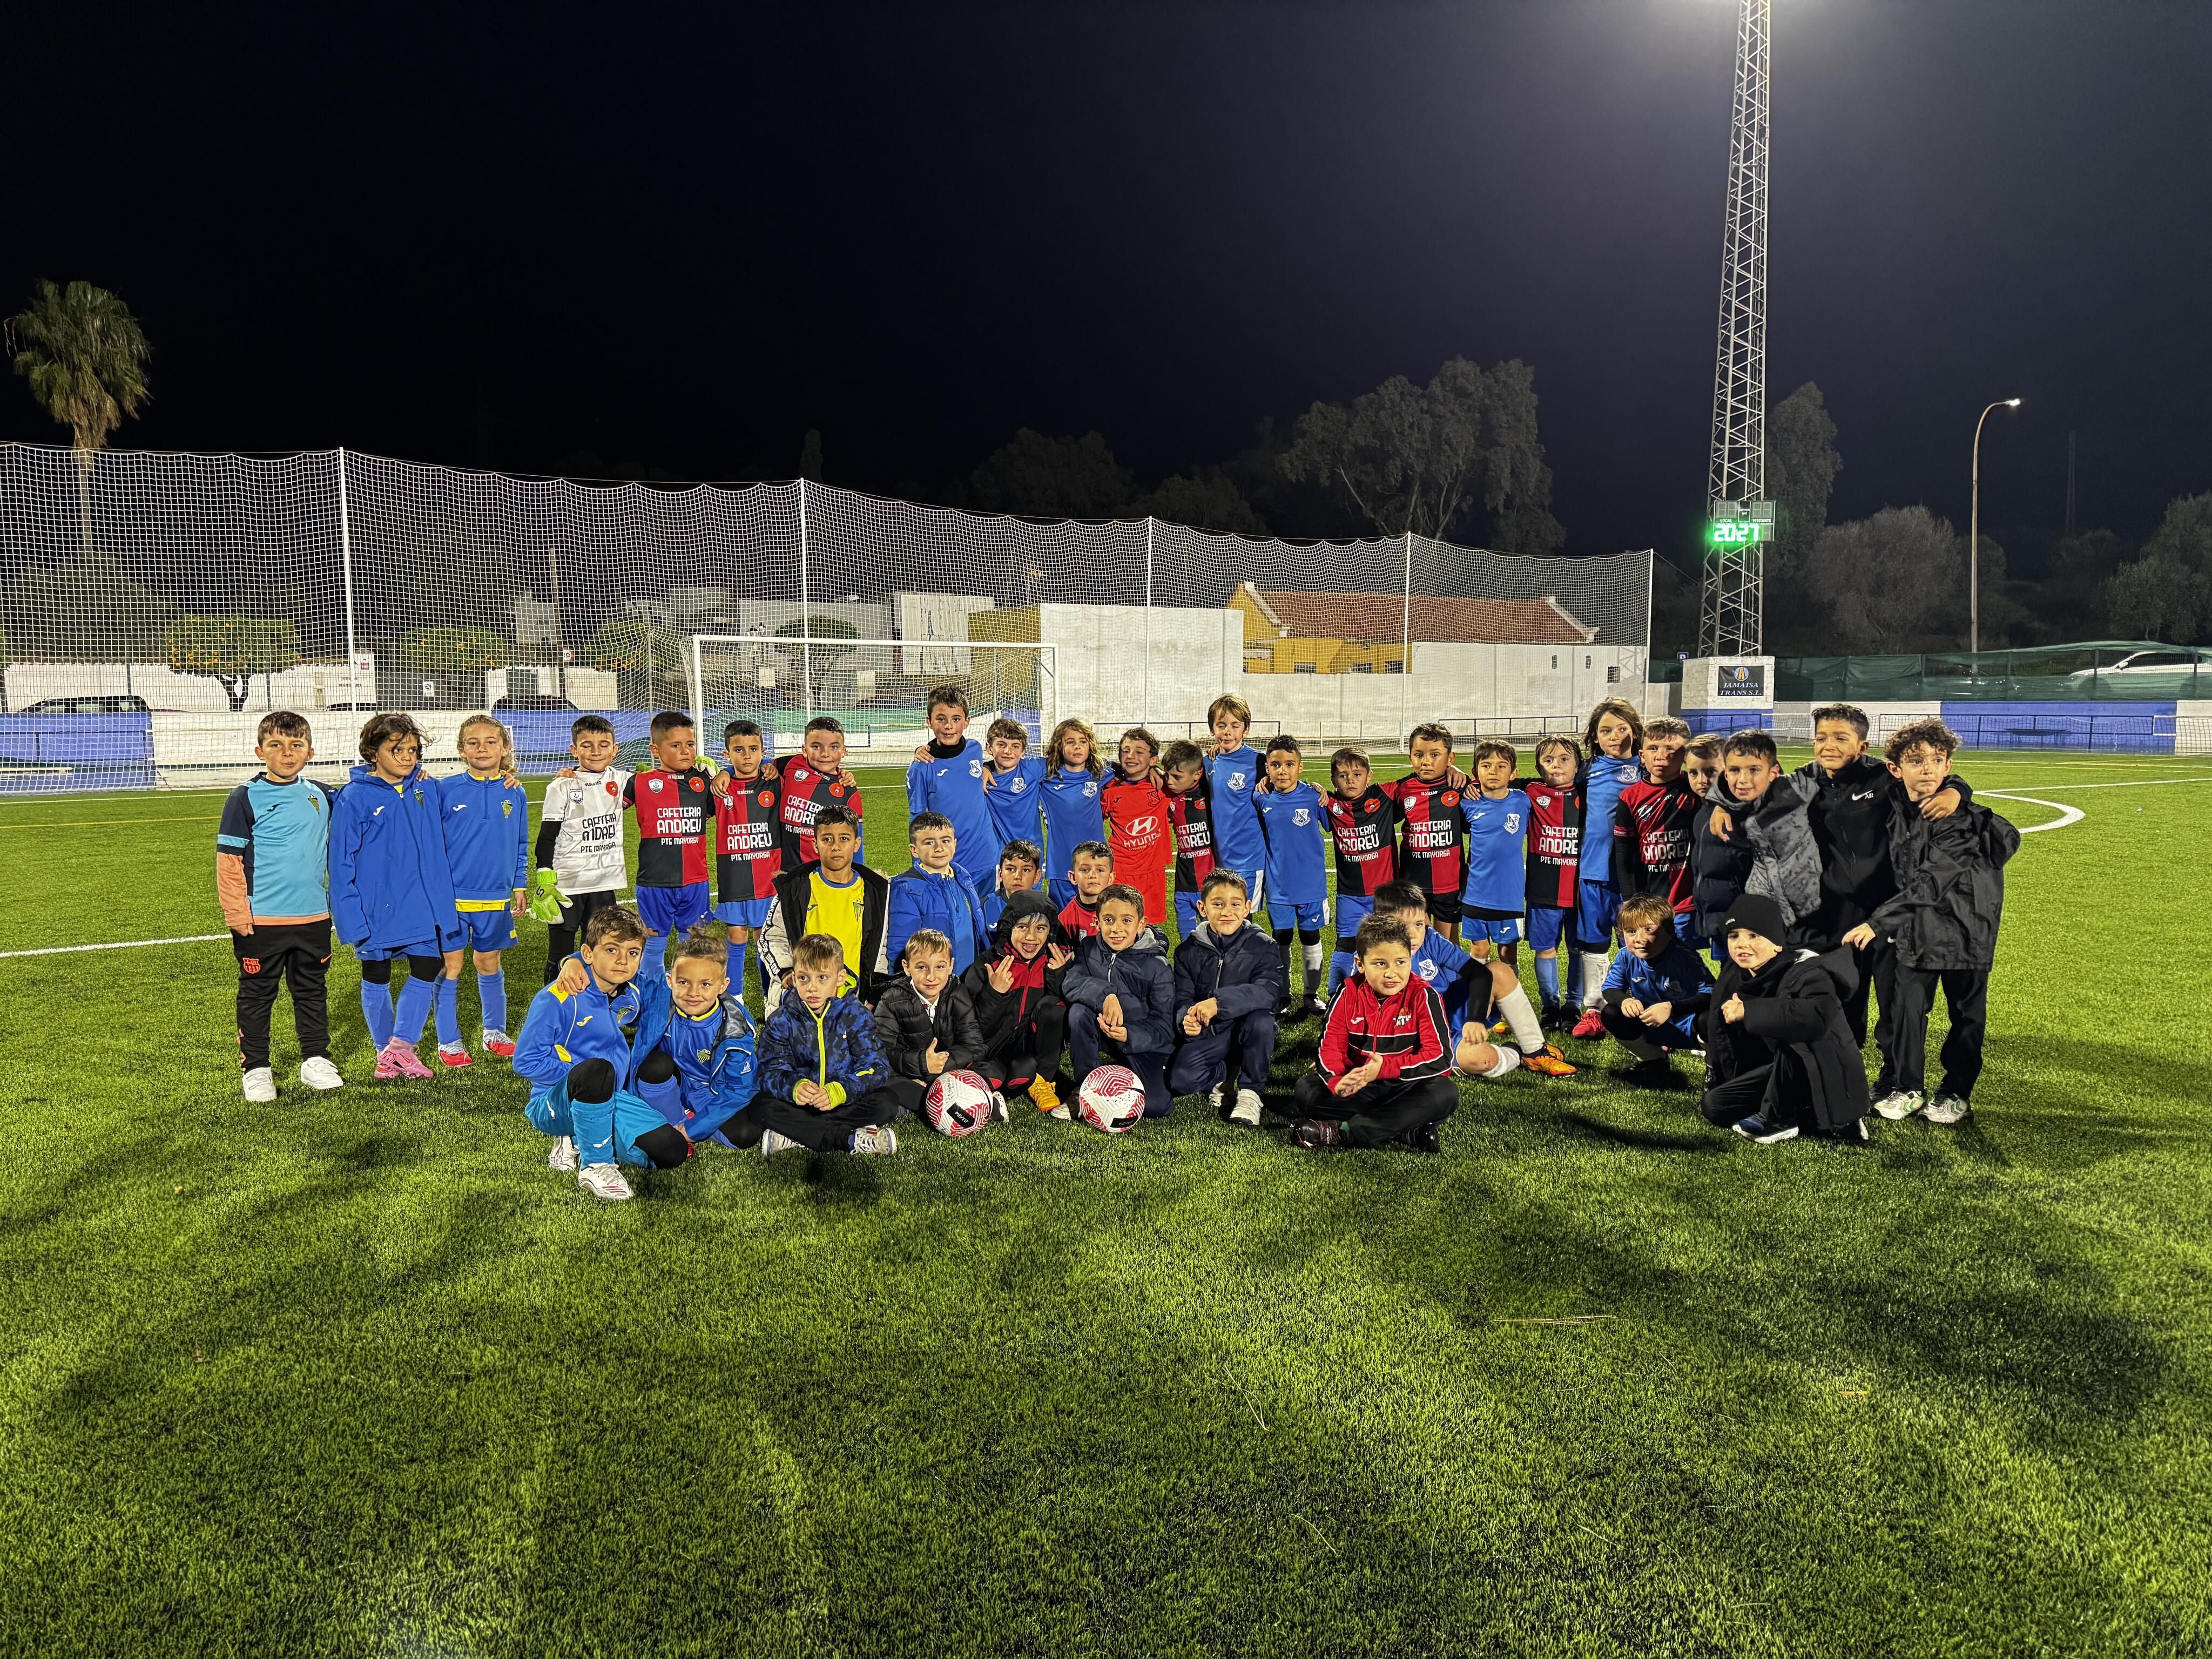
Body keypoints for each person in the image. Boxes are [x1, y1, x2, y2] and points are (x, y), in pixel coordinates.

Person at [1704, 703, 1971, 1078]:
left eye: (1841, 738)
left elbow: (1933, 780)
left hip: (1885, 912)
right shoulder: (1806, 780)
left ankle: (1893, 1079)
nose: (1829, 745)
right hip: (1833, 914)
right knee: (1843, 997)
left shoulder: (1882, 778)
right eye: (1821, 738)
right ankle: (1842, 1072)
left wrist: (1956, 791)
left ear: (1862, 747)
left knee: (1892, 1002)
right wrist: (1722, 805)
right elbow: (1753, 786)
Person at [1851, 718, 2018, 1124]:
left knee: (1966, 1018)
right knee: (1907, 1012)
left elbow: (1933, 881)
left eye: (1937, 760)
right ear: (1896, 769)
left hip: (1967, 930)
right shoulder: (1896, 804)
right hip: (1917, 929)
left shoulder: (1960, 819)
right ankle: (1908, 1088)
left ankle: (1956, 1093)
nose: (1927, 768)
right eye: (1916, 761)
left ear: (1948, 765)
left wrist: (1878, 923)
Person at [515, 905, 696, 1202]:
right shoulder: (559, 997)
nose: (623, 961)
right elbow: (526, 1061)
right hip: (555, 1101)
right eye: (612, 950)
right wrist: (582, 1076)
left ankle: (580, 1134)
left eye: (633, 953)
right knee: (597, 1070)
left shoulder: (631, 990)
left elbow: (665, 992)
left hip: (614, 1094)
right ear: (588, 954)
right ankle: (596, 1165)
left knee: (673, 1151)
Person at [217, 710, 345, 1102]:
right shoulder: (244, 797)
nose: (287, 753)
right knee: (258, 995)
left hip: (314, 917)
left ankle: (315, 1059)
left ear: (310, 752)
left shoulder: (324, 795)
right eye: (276, 745)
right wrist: (237, 913)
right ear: (260, 752)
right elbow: (229, 861)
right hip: (261, 920)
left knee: (312, 991)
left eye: (296, 745)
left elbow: (371, 796)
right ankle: (256, 1068)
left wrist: (419, 776)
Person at [330, 712, 463, 1081]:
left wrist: (506, 776)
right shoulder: (354, 797)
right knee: (377, 973)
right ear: (374, 752)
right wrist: (350, 919)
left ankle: (399, 1049)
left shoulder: (425, 788)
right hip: (376, 909)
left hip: (420, 905)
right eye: (398, 750)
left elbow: (469, 793)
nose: (407, 757)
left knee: (428, 965)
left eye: (413, 750)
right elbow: (340, 863)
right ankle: (384, 1051)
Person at [1700, 894, 1871, 1145]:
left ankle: (1785, 1117)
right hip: (1776, 1068)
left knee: (1795, 1036)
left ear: (1777, 944)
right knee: (1715, 1106)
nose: (1741, 944)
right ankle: (1804, 1112)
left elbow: (1815, 1017)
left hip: (1818, 1068)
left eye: (1754, 935)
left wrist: (1750, 1011)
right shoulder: (1737, 972)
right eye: (1734, 936)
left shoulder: (1809, 970)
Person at [1289, 915, 1469, 1153]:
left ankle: (1344, 1133)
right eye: (1380, 963)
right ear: (1360, 964)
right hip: (1359, 1087)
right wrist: (1338, 1082)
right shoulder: (1347, 993)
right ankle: (1405, 1130)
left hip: (1405, 1087)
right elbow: (1330, 1048)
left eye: (1400, 962)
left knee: (1445, 1093)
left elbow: (1441, 1058)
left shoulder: (1424, 996)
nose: (1392, 973)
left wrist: (1384, 1069)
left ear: (1410, 959)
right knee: (1307, 1090)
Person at [1373, 879, 1572, 1076]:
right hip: (1418, 1037)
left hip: (1451, 1016)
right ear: (1382, 924)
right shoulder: (1370, 958)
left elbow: (1479, 973)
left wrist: (1474, 1019)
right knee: (1482, 1060)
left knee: (1499, 972)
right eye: (1403, 926)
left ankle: (1535, 1050)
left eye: (1418, 924)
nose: (1414, 934)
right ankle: (1518, 1054)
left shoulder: (1430, 940)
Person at [430, 713, 530, 1065]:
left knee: (490, 962)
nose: (482, 748)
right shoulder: (445, 790)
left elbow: (520, 843)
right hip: (453, 898)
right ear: (462, 750)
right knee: (451, 966)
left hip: (496, 897)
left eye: (491, 742)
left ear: (505, 748)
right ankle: (449, 1041)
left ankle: (494, 1033)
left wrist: (519, 884)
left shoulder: (515, 792)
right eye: (473, 743)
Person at [751, 933, 903, 1156]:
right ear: (794, 978)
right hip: (801, 1104)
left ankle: (797, 1134)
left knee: (887, 1102)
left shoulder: (855, 1015)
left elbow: (876, 1066)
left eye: (822, 978)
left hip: (843, 1100)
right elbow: (769, 1071)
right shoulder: (782, 1020)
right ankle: (849, 1139)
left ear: (840, 978)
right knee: (760, 1105)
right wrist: (795, 1087)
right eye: (804, 978)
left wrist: (840, 1090)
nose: (812, 988)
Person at [1167, 870, 1285, 1127]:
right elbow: (1183, 996)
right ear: (1203, 908)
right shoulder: (1187, 951)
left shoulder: (1263, 945)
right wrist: (1186, 1017)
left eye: (1235, 904)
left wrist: (1219, 1003)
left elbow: (1270, 991)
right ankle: (1226, 1073)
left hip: (1247, 1030)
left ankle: (1251, 1092)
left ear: (1247, 908)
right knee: (1180, 1080)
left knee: (1262, 1020)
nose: (1226, 912)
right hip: (1212, 1033)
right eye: (1218, 904)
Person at [1688, 729, 1820, 952]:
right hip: (1721, 916)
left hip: (1756, 918)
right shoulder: (1706, 809)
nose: (1702, 780)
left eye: (1711, 772)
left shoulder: (1762, 807)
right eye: (1693, 773)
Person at [630, 925, 759, 1150]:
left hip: (711, 1092)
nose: (693, 993)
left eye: (705, 984)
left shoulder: (735, 1029)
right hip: (673, 1081)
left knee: (745, 1134)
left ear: (723, 986)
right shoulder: (659, 995)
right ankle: (675, 1122)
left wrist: (694, 1130)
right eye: (684, 982)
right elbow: (617, 975)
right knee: (654, 1066)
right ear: (670, 981)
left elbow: (738, 1089)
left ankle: (683, 1122)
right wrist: (575, 962)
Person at [758, 805, 891, 1012]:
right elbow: (772, 937)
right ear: (816, 844)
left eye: (844, 839)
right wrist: (787, 972)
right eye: (827, 839)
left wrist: (875, 994)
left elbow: (882, 948)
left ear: (857, 844)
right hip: (805, 1001)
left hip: (853, 1005)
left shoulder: (876, 892)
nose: (835, 846)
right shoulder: (795, 888)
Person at [1063, 884, 1177, 1119]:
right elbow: (1072, 982)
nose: (1116, 929)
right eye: (1109, 920)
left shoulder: (1158, 966)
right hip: (1105, 1034)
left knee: (1155, 1107)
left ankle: (1131, 1072)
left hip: (1141, 1041)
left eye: (1126, 921)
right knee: (1078, 1012)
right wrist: (1106, 996)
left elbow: (1165, 1027)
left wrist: (1129, 1035)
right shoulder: (1089, 948)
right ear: (1097, 923)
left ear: (1141, 925)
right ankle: (1085, 1085)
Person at [1570, 697, 1648, 1038]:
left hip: (1633, 873)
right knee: (1595, 940)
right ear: (1595, 737)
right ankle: (1594, 1009)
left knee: (1638, 940)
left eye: (1621, 729)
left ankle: (1646, 1005)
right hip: (1593, 871)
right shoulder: (1587, 770)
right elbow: (1546, 784)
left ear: (1635, 731)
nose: (1615, 736)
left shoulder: (1648, 767)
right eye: (1606, 731)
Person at [622, 710, 716, 988]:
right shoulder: (639, 783)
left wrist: (725, 773)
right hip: (655, 881)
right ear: (656, 750)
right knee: (653, 944)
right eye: (676, 745)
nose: (685, 751)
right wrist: (572, 776)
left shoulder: (704, 783)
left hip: (695, 880)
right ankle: (654, 999)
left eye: (690, 744)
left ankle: (690, 999)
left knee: (693, 945)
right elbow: (600, 800)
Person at [535, 715, 630, 986]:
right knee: (561, 954)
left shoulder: (623, 780)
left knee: (599, 951)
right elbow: (547, 837)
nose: (596, 751)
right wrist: (544, 876)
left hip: (604, 883)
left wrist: (705, 769)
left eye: (604, 745)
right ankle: (555, 1003)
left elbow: (662, 784)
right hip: (568, 884)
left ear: (615, 749)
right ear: (574, 750)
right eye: (587, 745)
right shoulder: (562, 785)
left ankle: (594, 1003)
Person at [965, 889, 1075, 1116]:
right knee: (1002, 1074)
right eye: (1023, 927)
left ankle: (1043, 1081)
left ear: (1050, 932)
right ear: (1009, 927)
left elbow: (1064, 1024)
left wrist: (1057, 976)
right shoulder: (988, 964)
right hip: (992, 1047)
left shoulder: (1054, 961)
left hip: (1027, 1048)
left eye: (1041, 928)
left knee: (1053, 1008)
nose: (1031, 937)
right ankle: (997, 1084)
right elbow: (976, 1030)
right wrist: (994, 994)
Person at [872, 927, 998, 1126]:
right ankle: (957, 1103)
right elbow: (880, 1052)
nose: (931, 977)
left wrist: (940, 1066)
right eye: (922, 967)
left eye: (940, 967)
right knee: (883, 1081)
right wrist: (922, 1063)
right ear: (907, 968)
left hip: (949, 1071)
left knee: (995, 1069)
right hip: (909, 1074)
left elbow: (975, 1046)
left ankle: (931, 1100)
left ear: (951, 966)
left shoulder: (958, 993)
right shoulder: (891, 999)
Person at [1597, 893, 1716, 1084]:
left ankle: (1715, 1070)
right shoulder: (1626, 956)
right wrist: (1625, 1000)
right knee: (1612, 1013)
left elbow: (1711, 994)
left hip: (1690, 1028)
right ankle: (1653, 1061)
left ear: (1669, 933)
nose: (1640, 939)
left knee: (1710, 1019)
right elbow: (1610, 989)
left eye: (1649, 930)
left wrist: (1672, 1008)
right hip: (1650, 1024)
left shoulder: (1684, 957)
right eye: (1631, 932)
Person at [1252, 734, 1329, 1018]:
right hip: (1278, 887)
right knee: (1281, 940)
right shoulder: (1261, 798)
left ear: (1300, 767)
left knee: (1311, 938)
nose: (1282, 771)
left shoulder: (1314, 797)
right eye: (1275, 765)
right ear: (1267, 769)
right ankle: (1283, 995)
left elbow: (1338, 822)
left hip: (1311, 886)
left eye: (1289, 764)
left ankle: (1311, 994)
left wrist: (1322, 791)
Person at [711, 718, 783, 1003]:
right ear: (727, 754)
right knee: (737, 936)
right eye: (739, 750)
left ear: (763, 751)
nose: (747, 756)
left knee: (765, 938)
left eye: (754, 749)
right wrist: (724, 772)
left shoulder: (774, 782)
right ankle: (736, 1000)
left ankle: (770, 996)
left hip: (768, 877)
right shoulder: (720, 787)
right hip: (734, 875)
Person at [1611, 716, 1698, 946]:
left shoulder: (1696, 788)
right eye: (1653, 748)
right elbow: (1624, 853)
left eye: (1671, 749)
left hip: (1687, 901)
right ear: (1642, 756)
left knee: (1684, 957)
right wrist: (1630, 899)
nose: (1661, 756)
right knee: (1650, 957)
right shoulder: (1630, 798)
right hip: (1650, 900)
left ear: (1685, 755)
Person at [907, 684, 1003, 888]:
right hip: (947, 862)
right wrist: (920, 867)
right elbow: (917, 818)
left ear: (967, 721)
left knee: (990, 909)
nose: (949, 726)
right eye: (941, 719)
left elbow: (996, 764)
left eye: (956, 719)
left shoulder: (975, 749)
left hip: (987, 858)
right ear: (929, 722)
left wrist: (987, 767)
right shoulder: (921, 768)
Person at [1321, 745, 1399, 996]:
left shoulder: (1384, 795)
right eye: (1343, 775)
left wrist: (1453, 771)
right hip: (1350, 895)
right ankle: (1337, 996)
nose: (1350, 780)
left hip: (1386, 895)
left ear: (1369, 776)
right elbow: (1294, 792)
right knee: (1346, 944)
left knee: (1390, 945)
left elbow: (1417, 783)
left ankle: (1391, 994)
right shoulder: (1329, 803)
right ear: (1334, 780)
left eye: (1357, 774)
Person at [1523, 734, 1584, 1026]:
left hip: (1580, 893)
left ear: (1577, 766)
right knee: (1545, 949)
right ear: (1538, 768)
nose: (1556, 765)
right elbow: (1493, 781)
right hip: (1543, 891)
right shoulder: (1531, 791)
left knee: (1578, 949)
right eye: (1548, 760)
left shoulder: (1588, 792)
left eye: (1564, 759)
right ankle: (1550, 1005)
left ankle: (1574, 1004)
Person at [887, 811, 992, 975]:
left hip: (970, 978)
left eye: (946, 841)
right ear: (914, 850)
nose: (939, 848)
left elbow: (978, 929)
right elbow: (901, 947)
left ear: (954, 844)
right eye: (929, 843)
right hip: (934, 981)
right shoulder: (908, 889)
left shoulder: (962, 877)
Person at [1391, 722, 1469, 941]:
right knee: (1416, 942)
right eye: (1419, 755)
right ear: (1410, 758)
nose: (1426, 761)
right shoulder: (1401, 789)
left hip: (1449, 882)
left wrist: (1458, 772)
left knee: (1448, 943)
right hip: (1413, 884)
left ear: (1450, 758)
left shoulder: (1460, 786)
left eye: (1435, 755)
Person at [1457, 739, 1531, 965]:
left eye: (1501, 766)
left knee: (1508, 951)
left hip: (1509, 894)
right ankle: (1480, 988)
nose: (1493, 771)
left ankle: (1510, 989)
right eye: (1486, 766)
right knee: (1480, 948)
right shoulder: (1467, 803)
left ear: (1513, 773)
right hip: (1475, 891)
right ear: (1475, 772)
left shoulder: (1523, 800)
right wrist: (1466, 784)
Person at [773, 715, 867, 872]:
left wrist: (860, 877)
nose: (825, 754)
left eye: (834, 747)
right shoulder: (791, 764)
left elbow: (856, 845)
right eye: (816, 747)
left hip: (822, 875)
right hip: (786, 872)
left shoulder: (848, 791)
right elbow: (758, 766)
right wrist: (729, 773)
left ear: (844, 750)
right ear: (805, 750)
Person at [1102, 726, 1172, 927]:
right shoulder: (1111, 790)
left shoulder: (1163, 787)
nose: (1131, 756)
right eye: (1126, 751)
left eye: (1139, 752)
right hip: (1120, 871)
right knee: (1118, 926)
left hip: (1152, 872)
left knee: (1149, 930)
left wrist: (1157, 771)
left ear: (1153, 759)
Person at [1203, 694, 1267, 908]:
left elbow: (1285, 784)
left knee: (1243, 917)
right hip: (1220, 858)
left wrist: (1316, 788)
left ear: (1246, 730)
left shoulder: (1259, 762)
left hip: (1250, 858)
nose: (1227, 732)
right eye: (1221, 726)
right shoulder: (1208, 763)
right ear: (1212, 730)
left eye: (1235, 726)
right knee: (1222, 917)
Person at [1038, 717, 1107, 906]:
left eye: (1083, 742)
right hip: (1061, 865)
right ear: (1059, 746)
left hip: (1095, 864)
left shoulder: (1101, 773)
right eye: (1071, 742)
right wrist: (988, 767)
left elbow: (1130, 770)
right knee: (1062, 919)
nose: (1077, 747)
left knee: (1096, 916)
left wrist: (1154, 771)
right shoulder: (1046, 776)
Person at [1161, 739, 1219, 939]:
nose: (1170, 781)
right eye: (1167, 775)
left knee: (1216, 943)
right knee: (1188, 945)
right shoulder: (1168, 795)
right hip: (1183, 886)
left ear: (1197, 775)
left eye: (1177, 777)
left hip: (1213, 885)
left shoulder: (1212, 792)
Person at [981, 715, 1047, 853]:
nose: (1008, 751)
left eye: (1015, 746)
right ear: (989, 748)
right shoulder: (981, 777)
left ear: (1023, 752)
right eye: (1001, 745)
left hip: (1031, 853)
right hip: (998, 855)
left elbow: (1063, 762)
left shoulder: (1032, 769)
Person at [1056, 840, 1116, 941]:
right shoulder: (1065, 920)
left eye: (1100, 870)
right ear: (1073, 877)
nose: (1093, 875)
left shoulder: (1122, 910)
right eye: (1085, 870)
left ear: (1110, 878)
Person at [981, 838, 1043, 933]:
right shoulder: (986, 905)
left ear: (1037, 876)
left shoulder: (1045, 907)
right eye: (1010, 869)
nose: (1018, 877)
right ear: (1000, 874)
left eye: (1026, 870)